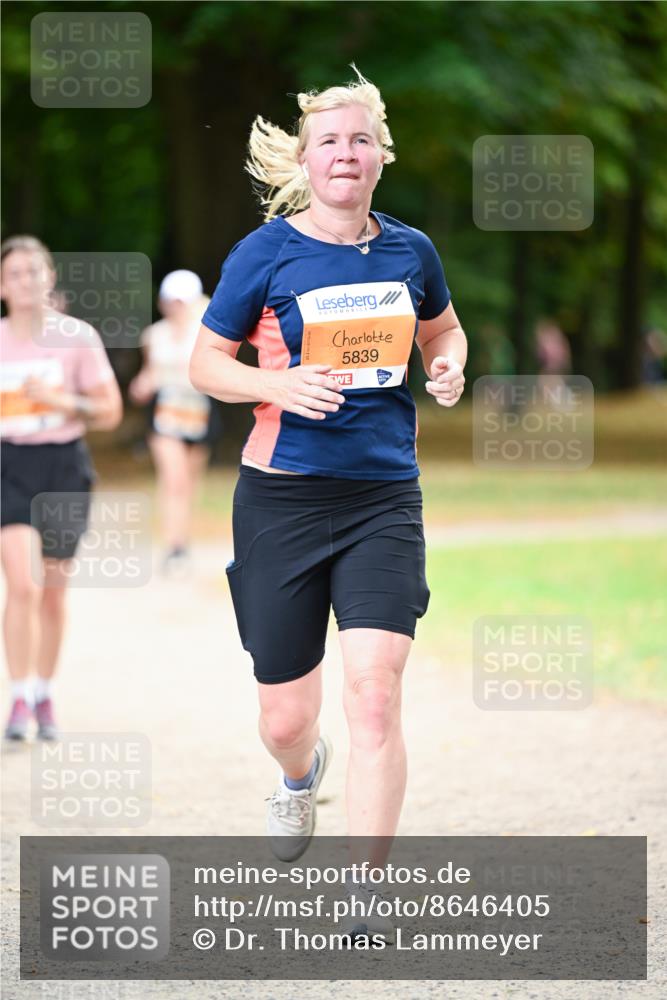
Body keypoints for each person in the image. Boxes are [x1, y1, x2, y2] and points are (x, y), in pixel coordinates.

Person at [189, 66, 467, 941]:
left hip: (383, 497)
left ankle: (364, 894)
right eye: (329, 142)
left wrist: (448, 364)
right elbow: (206, 364)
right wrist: (277, 382)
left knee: (374, 693)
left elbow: (441, 328)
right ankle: (299, 772)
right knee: (285, 717)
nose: (345, 153)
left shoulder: (411, 251)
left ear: (380, 156)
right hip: (282, 499)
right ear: (304, 161)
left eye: (360, 140)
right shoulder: (264, 253)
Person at [1, 235, 122, 740]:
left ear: (49, 277)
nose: (26, 280)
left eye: (35, 270)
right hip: (9, 465)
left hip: (63, 468)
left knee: (52, 593)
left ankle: (43, 692)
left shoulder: (77, 339)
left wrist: (62, 400)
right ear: (3, 286)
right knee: (23, 586)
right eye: (15, 273)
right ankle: (18, 697)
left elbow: (110, 412)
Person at [129, 270, 221, 575]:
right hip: (165, 413)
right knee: (174, 478)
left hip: (199, 412)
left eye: (181, 301)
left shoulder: (206, 332)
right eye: (171, 301)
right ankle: (173, 546)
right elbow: (150, 371)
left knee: (190, 483)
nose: (175, 307)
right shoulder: (153, 335)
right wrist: (142, 385)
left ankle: (183, 540)